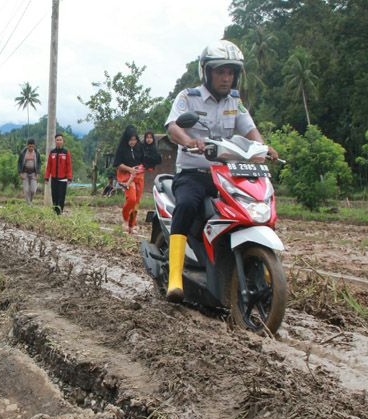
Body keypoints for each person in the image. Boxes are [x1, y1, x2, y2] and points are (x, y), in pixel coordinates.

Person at [163, 39, 279, 302]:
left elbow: (250, 130)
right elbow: (173, 126)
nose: (226, 78)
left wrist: (264, 148)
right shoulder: (188, 97)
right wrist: (189, 141)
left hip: (226, 174)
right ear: (207, 72)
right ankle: (175, 278)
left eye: (231, 73)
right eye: (220, 72)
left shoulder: (234, 102)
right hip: (194, 174)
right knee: (186, 205)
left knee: (252, 205)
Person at [113, 125, 146, 233]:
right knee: (131, 199)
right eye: (130, 140)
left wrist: (142, 167)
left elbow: (144, 161)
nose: (133, 142)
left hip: (138, 176)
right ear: (126, 139)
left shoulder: (140, 147)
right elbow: (117, 164)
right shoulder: (121, 149)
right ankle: (125, 220)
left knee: (136, 202)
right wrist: (130, 169)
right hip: (126, 177)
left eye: (134, 140)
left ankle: (132, 226)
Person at [44, 133, 72, 214]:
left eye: (60, 140)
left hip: (63, 179)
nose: (59, 141)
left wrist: (69, 177)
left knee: (61, 197)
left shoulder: (66, 152)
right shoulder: (52, 152)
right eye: (57, 140)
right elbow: (49, 166)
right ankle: (55, 213)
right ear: (55, 141)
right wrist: (46, 177)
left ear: (63, 141)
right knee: (54, 197)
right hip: (54, 179)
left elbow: (69, 166)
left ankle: (59, 213)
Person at [18, 138, 41, 204]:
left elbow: (39, 162)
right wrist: (20, 173)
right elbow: (19, 162)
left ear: (34, 146)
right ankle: (28, 204)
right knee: (26, 190)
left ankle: (29, 201)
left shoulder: (37, 153)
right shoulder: (23, 153)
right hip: (25, 172)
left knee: (33, 190)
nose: (31, 148)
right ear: (27, 145)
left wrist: (38, 173)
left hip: (33, 173)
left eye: (32, 146)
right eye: (30, 146)